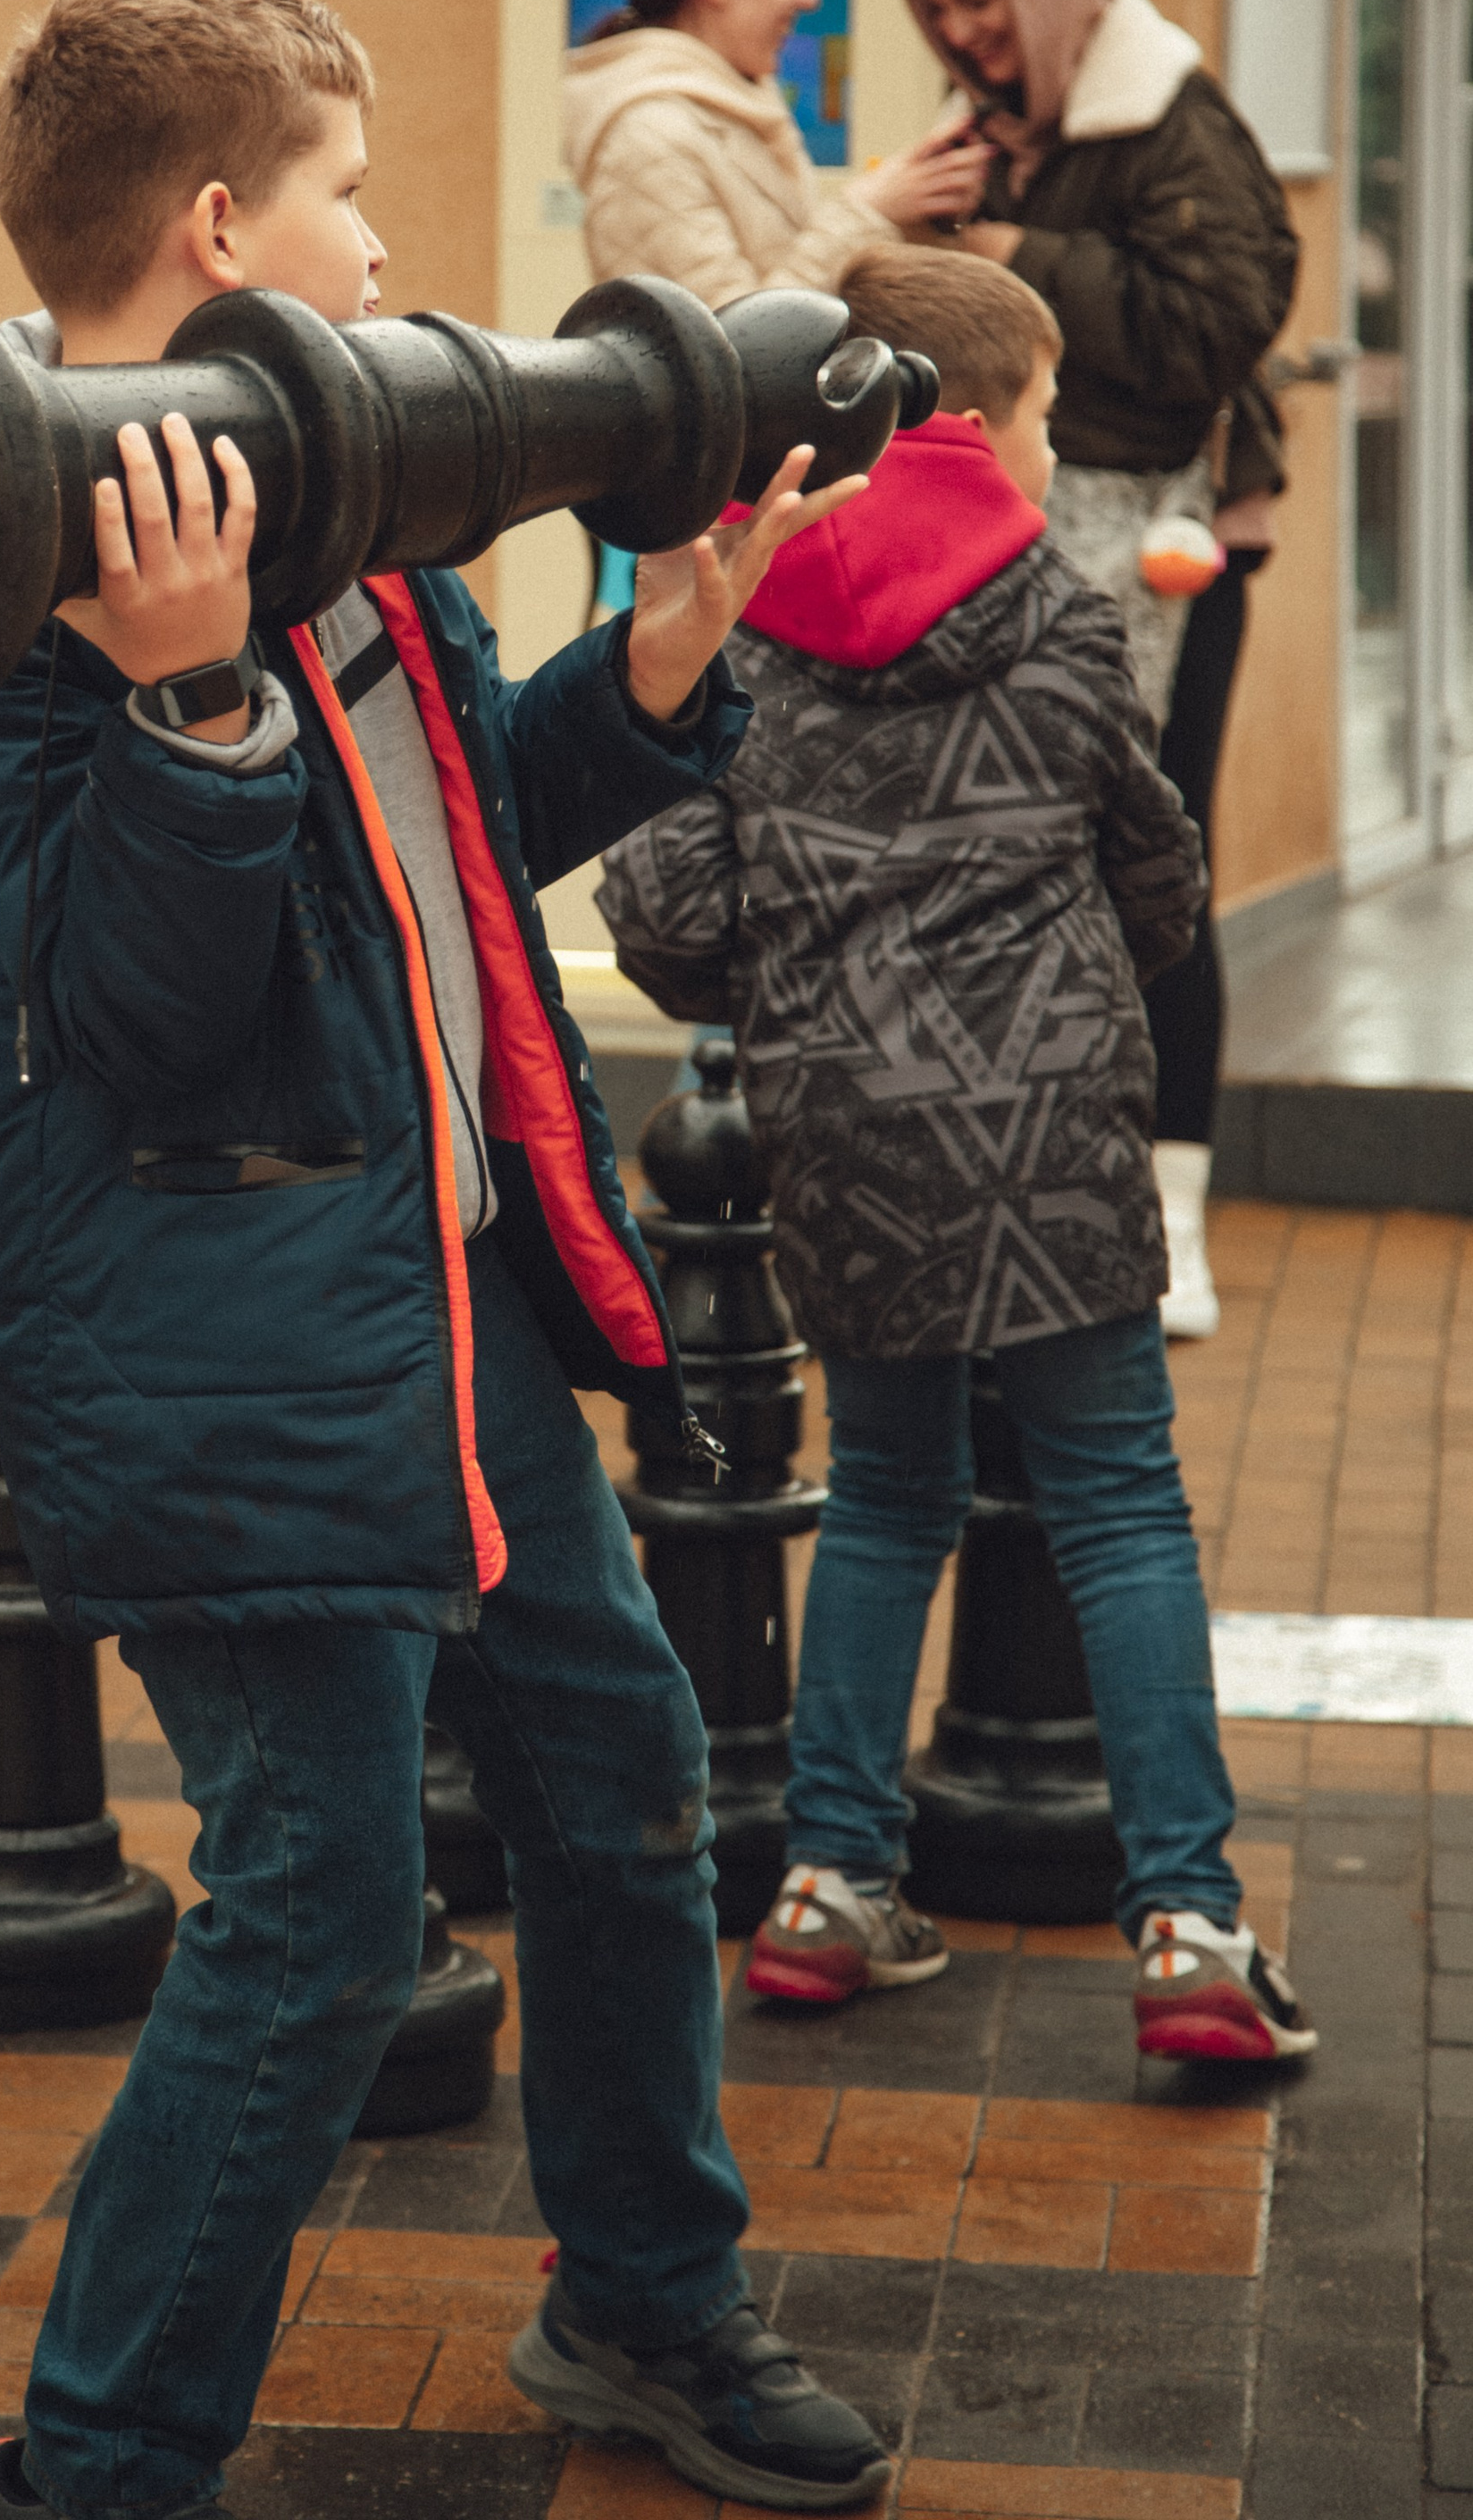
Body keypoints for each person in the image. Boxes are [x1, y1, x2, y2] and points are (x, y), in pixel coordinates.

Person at [0, 0, 893, 2520]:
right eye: (349, 190)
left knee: (626, 1774)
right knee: (323, 1916)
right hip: (223, 1343)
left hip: (438, 1310)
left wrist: (658, 659)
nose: (386, 242)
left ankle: (642, 2310)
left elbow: (446, 861)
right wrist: (191, 709)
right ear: (223, 223)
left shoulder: (349, 485)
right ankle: (96, 2471)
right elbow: (138, 1015)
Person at [596, 246, 1316, 2069]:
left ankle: (831, 1882)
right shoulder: (1064, 617)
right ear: (978, 421)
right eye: (1044, 413)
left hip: (841, 1128)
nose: (1049, 444)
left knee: (889, 1494)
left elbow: (669, 914)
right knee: (1118, 1505)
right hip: (1056, 1121)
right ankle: (1185, 1928)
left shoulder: (751, 631)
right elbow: (1153, 870)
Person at [889, 0, 1299, 1337]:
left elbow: (1219, 321)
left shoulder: (1168, 113)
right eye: (940, 8)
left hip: (1165, 549)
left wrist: (1007, 251)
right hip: (1017, 545)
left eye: (987, 0)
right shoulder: (996, 121)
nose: (967, 34)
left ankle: (1174, 1220)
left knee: (1153, 869)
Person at [563, 0, 993, 316]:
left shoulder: (729, 109)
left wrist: (911, 202)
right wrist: (867, 212)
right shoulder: (650, 138)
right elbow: (732, 352)